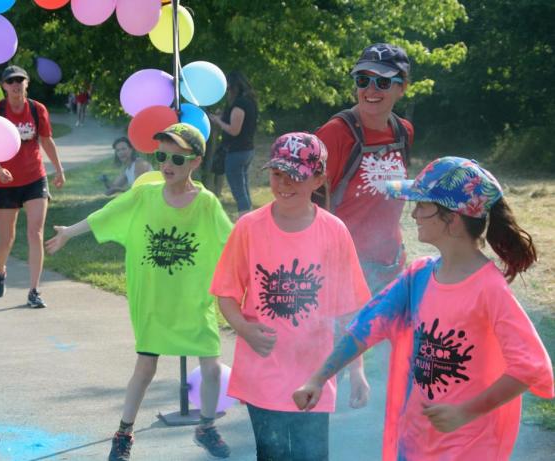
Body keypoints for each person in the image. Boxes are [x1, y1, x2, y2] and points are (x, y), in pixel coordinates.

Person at [293, 157, 554, 461]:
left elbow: (532, 367)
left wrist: (465, 413)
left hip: (469, 447)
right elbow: (367, 325)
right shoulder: (418, 276)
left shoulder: (489, 290)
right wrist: (318, 378)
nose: (413, 213)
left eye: (422, 205)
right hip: (416, 441)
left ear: (452, 219)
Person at [46, 123, 233, 460]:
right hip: (154, 303)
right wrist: (69, 233)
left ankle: (206, 426)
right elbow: (107, 213)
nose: (167, 165)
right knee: (145, 369)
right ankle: (123, 433)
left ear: (195, 162)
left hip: (194, 301)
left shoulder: (206, 203)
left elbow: (233, 243)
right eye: (161, 156)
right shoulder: (145, 195)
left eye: (177, 158)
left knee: (212, 368)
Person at [210, 132, 371, 461]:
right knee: (272, 455)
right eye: (277, 174)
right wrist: (243, 327)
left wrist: (357, 371)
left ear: (318, 178)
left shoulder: (334, 231)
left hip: (314, 373)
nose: (284, 184)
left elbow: (349, 311)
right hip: (263, 373)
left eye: (296, 175)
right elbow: (225, 293)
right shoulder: (249, 227)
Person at [315, 43, 414, 295]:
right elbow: (310, 204)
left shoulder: (403, 132)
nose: (370, 90)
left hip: (391, 266)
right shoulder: (335, 134)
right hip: (343, 269)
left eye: (382, 82)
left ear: (402, 87)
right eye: (362, 80)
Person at [0, 65, 65, 308]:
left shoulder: (36, 109)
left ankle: (34, 290)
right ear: (4, 86)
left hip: (34, 179)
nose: (16, 85)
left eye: (20, 80)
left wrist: (59, 169)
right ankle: (0, 270)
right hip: (5, 182)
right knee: (6, 239)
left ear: (27, 83)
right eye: (11, 81)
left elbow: (46, 140)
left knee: (35, 233)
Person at [208, 71, 258, 217]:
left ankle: (245, 222)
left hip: (236, 152)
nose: (227, 91)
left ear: (233, 87)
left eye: (228, 88)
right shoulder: (250, 102)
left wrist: (218, 121)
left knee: (238, 191)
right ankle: (250, 220)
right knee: (244, 189)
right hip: (247, 150)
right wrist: (223, 116)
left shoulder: (239, 105)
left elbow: (234, 130)